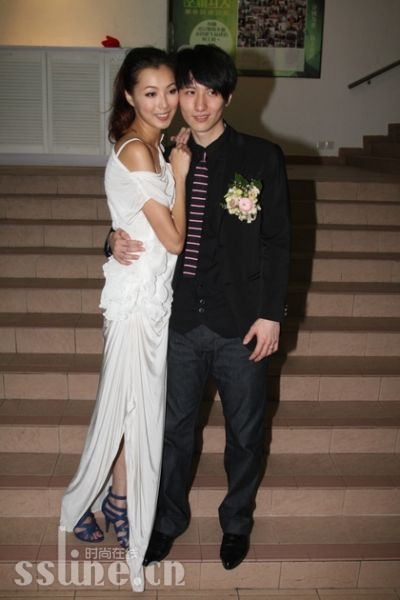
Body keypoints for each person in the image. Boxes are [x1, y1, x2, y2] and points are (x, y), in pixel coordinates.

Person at [108, 44, 290, 572]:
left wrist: (272, 314)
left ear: (228, 96)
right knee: (173, 433)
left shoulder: (261, 157)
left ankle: (236, 523)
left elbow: (278, 241)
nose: (200, 104)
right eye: (189, 91)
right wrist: (110, 240)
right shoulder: (160, 152)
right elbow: (133, 213)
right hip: (178, 320)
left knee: (246, 434)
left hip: (241, 325)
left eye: (212, 92)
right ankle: (168, 522)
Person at [60, 46, 190, 592]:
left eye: (170, 90)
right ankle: (79, 505)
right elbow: (174, 239)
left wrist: (113, 236)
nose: (164, 103)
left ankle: (116, 500)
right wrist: (179, 174)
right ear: (130, 96)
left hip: (153, 300)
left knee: (135, 410)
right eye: (150, 93)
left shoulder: (154, 145)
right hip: (135, 305)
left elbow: (133, 221)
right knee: (122, 410)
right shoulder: (140, 150)